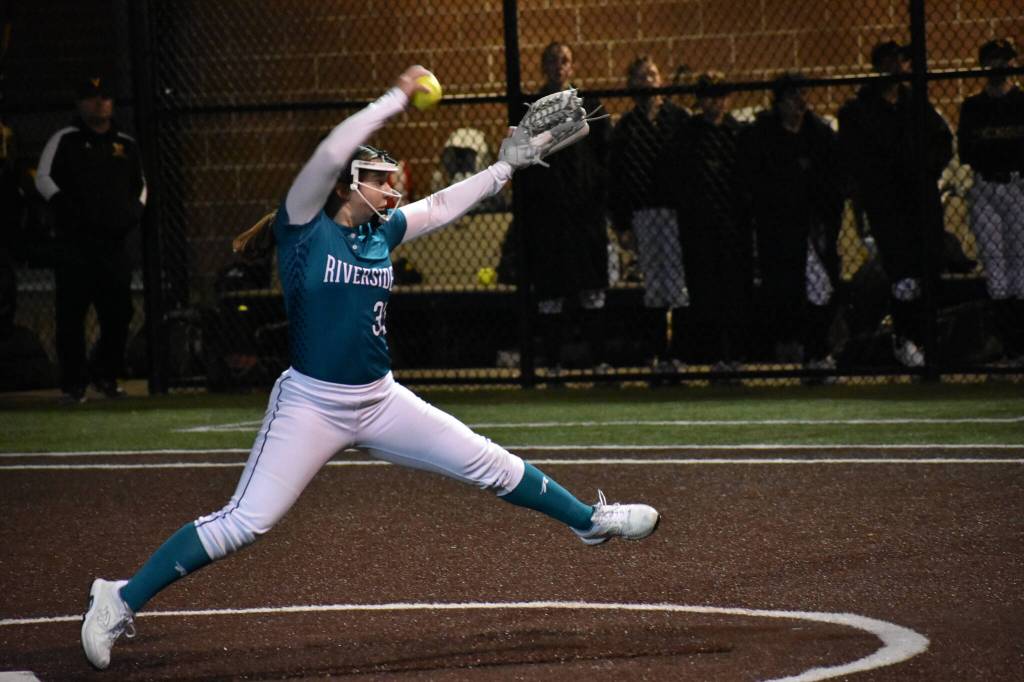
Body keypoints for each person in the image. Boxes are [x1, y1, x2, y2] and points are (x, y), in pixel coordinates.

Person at [78, 65, 660, 671]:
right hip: (311, 403)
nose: (392, 188)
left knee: (489, 462)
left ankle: (589, 521)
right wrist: (395, 97)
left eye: (391, 179)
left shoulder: (384, 233)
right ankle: (119, 597)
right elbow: (332, 150)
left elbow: (442, 206)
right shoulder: (303, 225)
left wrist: (504, 167)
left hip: (379, 400)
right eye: (379, 179)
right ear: (345, 186)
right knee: (245, 521)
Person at [838, 41, 953, 368]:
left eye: (900, 61)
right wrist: (881, 179)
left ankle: (921, 336)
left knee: (929, 267)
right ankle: (907, 336)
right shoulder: (860, 110)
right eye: (890, 62)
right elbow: (855, 159)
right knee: (903, 273)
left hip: (921, 199)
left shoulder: (914, 102)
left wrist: (926, 169)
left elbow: (942, 141)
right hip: (887, 203)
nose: (897, 68)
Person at [35, 75, 146, 402]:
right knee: (71, 315)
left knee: (120, 312)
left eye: (105, 97)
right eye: (92, 97)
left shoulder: (125, 144)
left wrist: (131, 215)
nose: (100, 103)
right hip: (75, 246)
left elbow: (140, 185)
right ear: (79, 103)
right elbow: (43, 178)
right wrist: (67, 210)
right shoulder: (64, 140)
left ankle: (105, 373)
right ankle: (74, 383)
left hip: (113, 246)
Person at [739, 73, 845, 373]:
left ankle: (816, 350)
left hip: (811, 226)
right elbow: (753, 183)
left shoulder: (818, 134)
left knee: (820, 286)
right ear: (779, 102)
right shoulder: (763, 136)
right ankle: (793, 345)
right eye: (792, 96)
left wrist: (826, 218)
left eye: (803, 94)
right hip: (777, 227)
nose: (800, 102)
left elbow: (832, 183)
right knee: (784, 289)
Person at [518, 42, 612, 374]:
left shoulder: (589, 105)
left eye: (565, 60)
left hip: (586, 214)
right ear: (543, 67)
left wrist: (598, 199)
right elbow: (522, 162)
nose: (559, 66)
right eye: (553, 61)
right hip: (549, 215)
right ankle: (554, 362)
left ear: (572, 66)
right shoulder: (532, 109)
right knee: (550, 288)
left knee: (592, 286)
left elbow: (605, 157)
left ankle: (599, 360)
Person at [666, 71, 752, 375]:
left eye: (720, 97)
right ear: (700, 100)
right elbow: (679, 180)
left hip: (732, 224)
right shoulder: (688, 135)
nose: (715, 103)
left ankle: (734, 354)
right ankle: (711, 353)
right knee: (704, 290)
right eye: (709, 97)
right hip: (699, 225)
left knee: (734, 290)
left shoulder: (737, 133)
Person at [609, 55, 689, 374]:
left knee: (678, 282)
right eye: (641, 76)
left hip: (675, 211)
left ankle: (678, 352)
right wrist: (622, 224)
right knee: (654, 283)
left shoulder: (677, 119)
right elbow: (617, 179)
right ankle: (658, 352)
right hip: (644, 212)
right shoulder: (627, 128)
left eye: (652, 75)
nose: (648, 81)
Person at [957, 38, 1024, 363]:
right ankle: (1009, 345)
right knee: (996, 268)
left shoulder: (1021, 101)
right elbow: (967, 151)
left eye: (1004, 60)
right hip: (985, 185)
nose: (999, 66)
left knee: (1020, 266)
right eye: (993, 60)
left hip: (1017, 184)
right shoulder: (973, 106)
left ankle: (1019, 344)